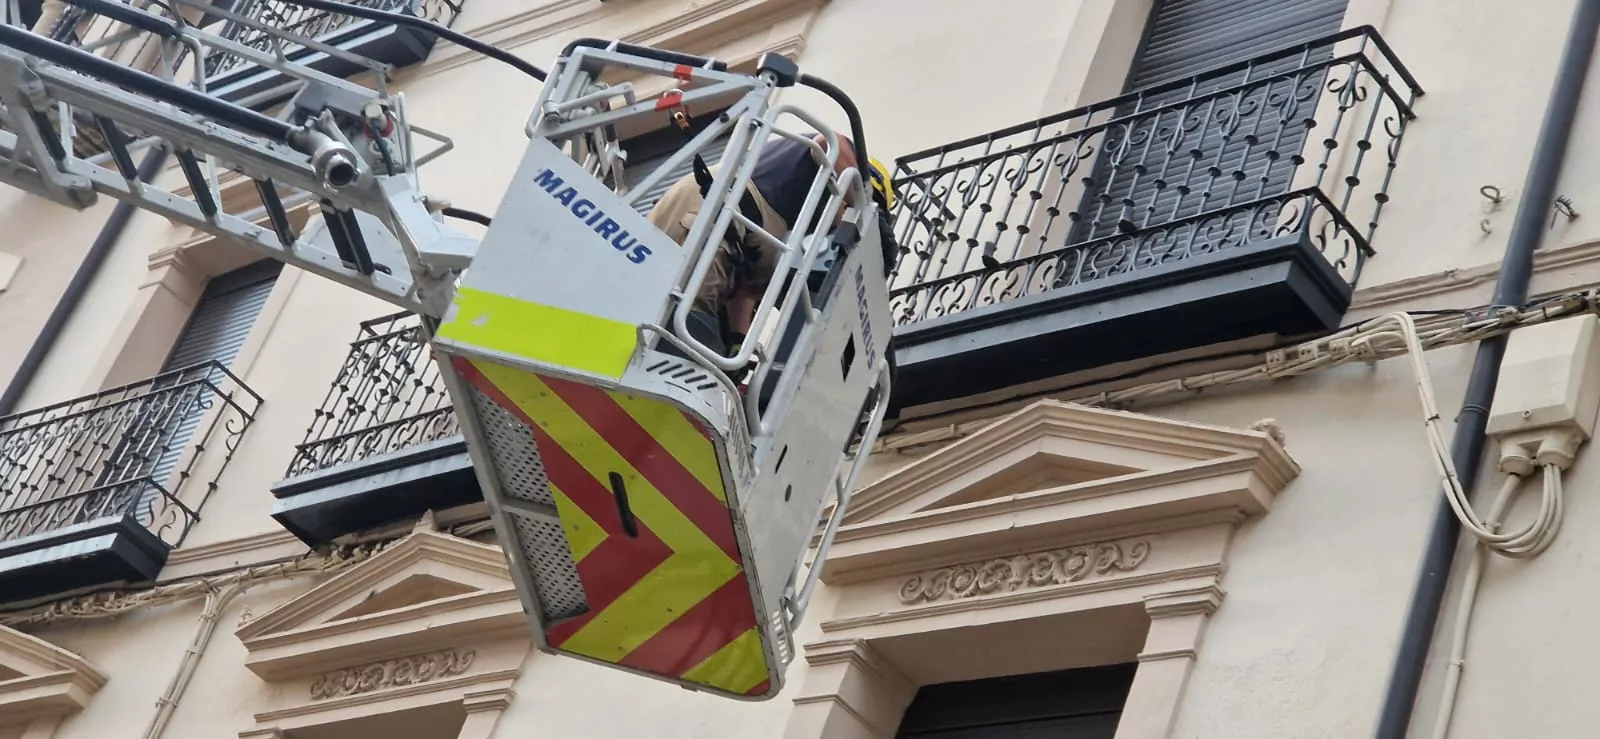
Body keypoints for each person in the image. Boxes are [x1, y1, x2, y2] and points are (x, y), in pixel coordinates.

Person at [646, 131, 896, 360]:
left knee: (696, 325)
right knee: (678, 311)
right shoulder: (835, 155)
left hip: (730, 227)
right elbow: (826, 144)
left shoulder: (794, 226)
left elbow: (747, 290)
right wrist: (861, 210)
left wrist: (736, 344)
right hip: (716, 204)